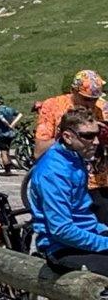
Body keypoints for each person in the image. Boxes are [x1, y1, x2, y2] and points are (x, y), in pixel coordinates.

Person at [27, 107, 108, 274]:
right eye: (88, 136)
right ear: (67, 137)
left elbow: (82, 214)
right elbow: (61, 230)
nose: (96, 141)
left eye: (97, 134)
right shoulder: (53, 172)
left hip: (83, 237)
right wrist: (104, 243)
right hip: (61, 248)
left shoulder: (75, 158)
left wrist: (102, 231)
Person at [34, 70, 108, 223]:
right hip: (67, 181)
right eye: (86, 99)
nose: (91, 105)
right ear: (73, 91)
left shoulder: (103, 108)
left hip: (99, 182)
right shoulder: (53, 106)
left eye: (95, 99)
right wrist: (70, 137)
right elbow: (39, 151)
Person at [0, 96, 22, 175]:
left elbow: (2, 119)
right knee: (7, 151)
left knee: (3, 152)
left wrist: (8, 125)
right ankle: (9, 168)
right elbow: (20, 114)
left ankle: (7, 170)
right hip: (11, 134)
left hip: (3, 133)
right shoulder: (10, 109)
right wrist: (13, 124)